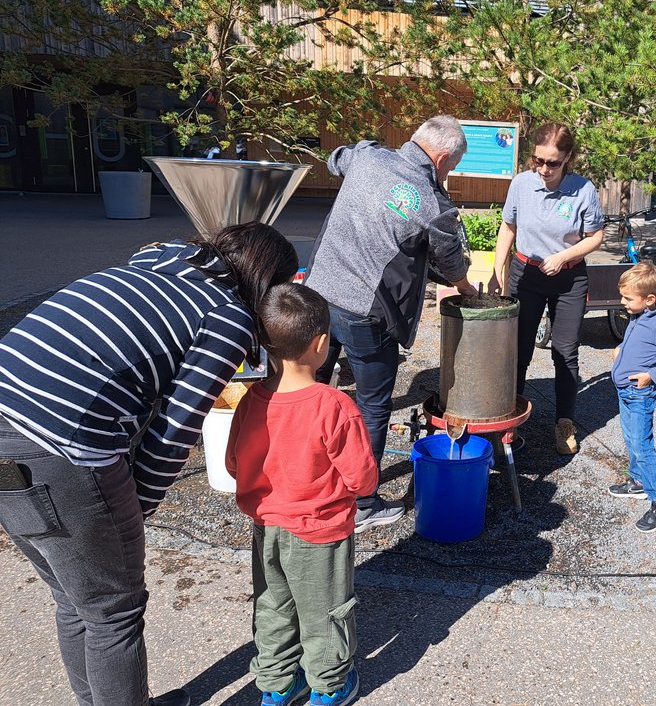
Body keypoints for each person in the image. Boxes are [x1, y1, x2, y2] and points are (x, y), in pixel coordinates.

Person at [0, 223, 299, 706]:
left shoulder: (157, 261)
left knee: (78, 598)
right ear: (267, 284)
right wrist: (129, 515)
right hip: (62, 442)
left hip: (4, 416)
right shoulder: (224, 317)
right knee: (113, 611)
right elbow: (172, 433)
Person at [306, 115, 476, 533]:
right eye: (450, 167)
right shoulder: (430, 201)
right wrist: (468, 290)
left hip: (317, 295)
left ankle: (307, 479)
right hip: (365, 311)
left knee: (311, 390)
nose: (448, 174)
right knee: (372, 406)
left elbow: (335, 159)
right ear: (440, 158)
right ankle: (362, 501)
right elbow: (450, 259)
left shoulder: (366, 156)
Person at [226, 284, 377, 706]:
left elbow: (233, 466)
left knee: (273, 605)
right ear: (322, 343)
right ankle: (329, 687)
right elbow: (362, 479)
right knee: (325, 612)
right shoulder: (334, 406)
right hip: (320, 533)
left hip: (267, 528)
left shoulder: (250, 401)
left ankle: (276, 684)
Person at [486, 122, 605, 454]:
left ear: (567, 157)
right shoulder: (522, 184)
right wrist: (498, 272)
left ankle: (564, 422)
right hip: (527, 275)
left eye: (552, 162)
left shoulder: (583, 189)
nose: (543, 169)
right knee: (519, 350)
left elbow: (596, 236)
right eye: (538, 160)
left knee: (564, 352)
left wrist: (565, 255)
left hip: (569, 278)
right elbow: (507, 227)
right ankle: (508, 422)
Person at [607, 262, 656, 532]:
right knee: (631, 440)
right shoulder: (638, 317)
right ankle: (639, 482)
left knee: (642, 447)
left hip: (639, 393)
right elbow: (636, 343)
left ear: (649, 299)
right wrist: (621, 348)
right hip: (625, 393)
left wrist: (651, 376)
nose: (623, 302)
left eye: (628, 298)